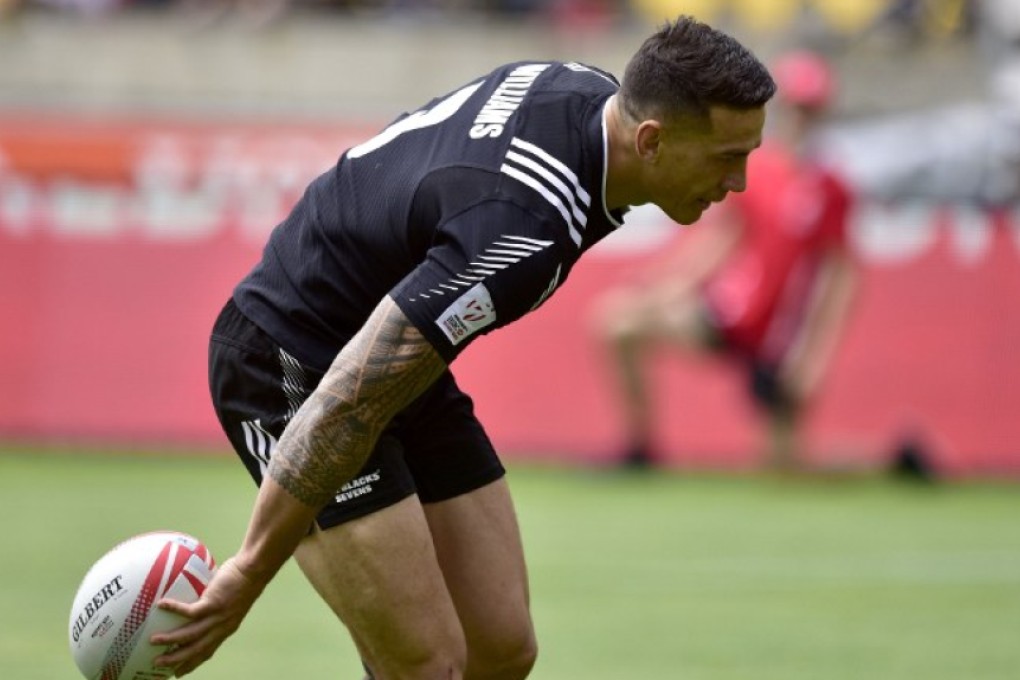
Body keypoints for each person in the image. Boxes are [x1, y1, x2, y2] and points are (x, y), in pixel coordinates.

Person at [151, 16, 776, 679]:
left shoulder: (583, 91)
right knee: (427, 666)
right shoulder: (523, 230)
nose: (738, 182)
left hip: (397, 353)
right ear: (650, 140)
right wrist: (249, 571)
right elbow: (348, 400)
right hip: (291, 358)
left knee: (500, 650)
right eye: (725, 157)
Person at [594, 49, 857, 472]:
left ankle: (893, 460)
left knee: (788, 467)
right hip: (731, 313)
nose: (800, 119)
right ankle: (641, 448)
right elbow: (721, 242)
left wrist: (812, 359)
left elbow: (839, 278)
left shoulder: (831, 187)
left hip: (777, 339)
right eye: (795, 108)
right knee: (617, 322)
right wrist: (667, 285)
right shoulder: (760, 169)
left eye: (810, 110)